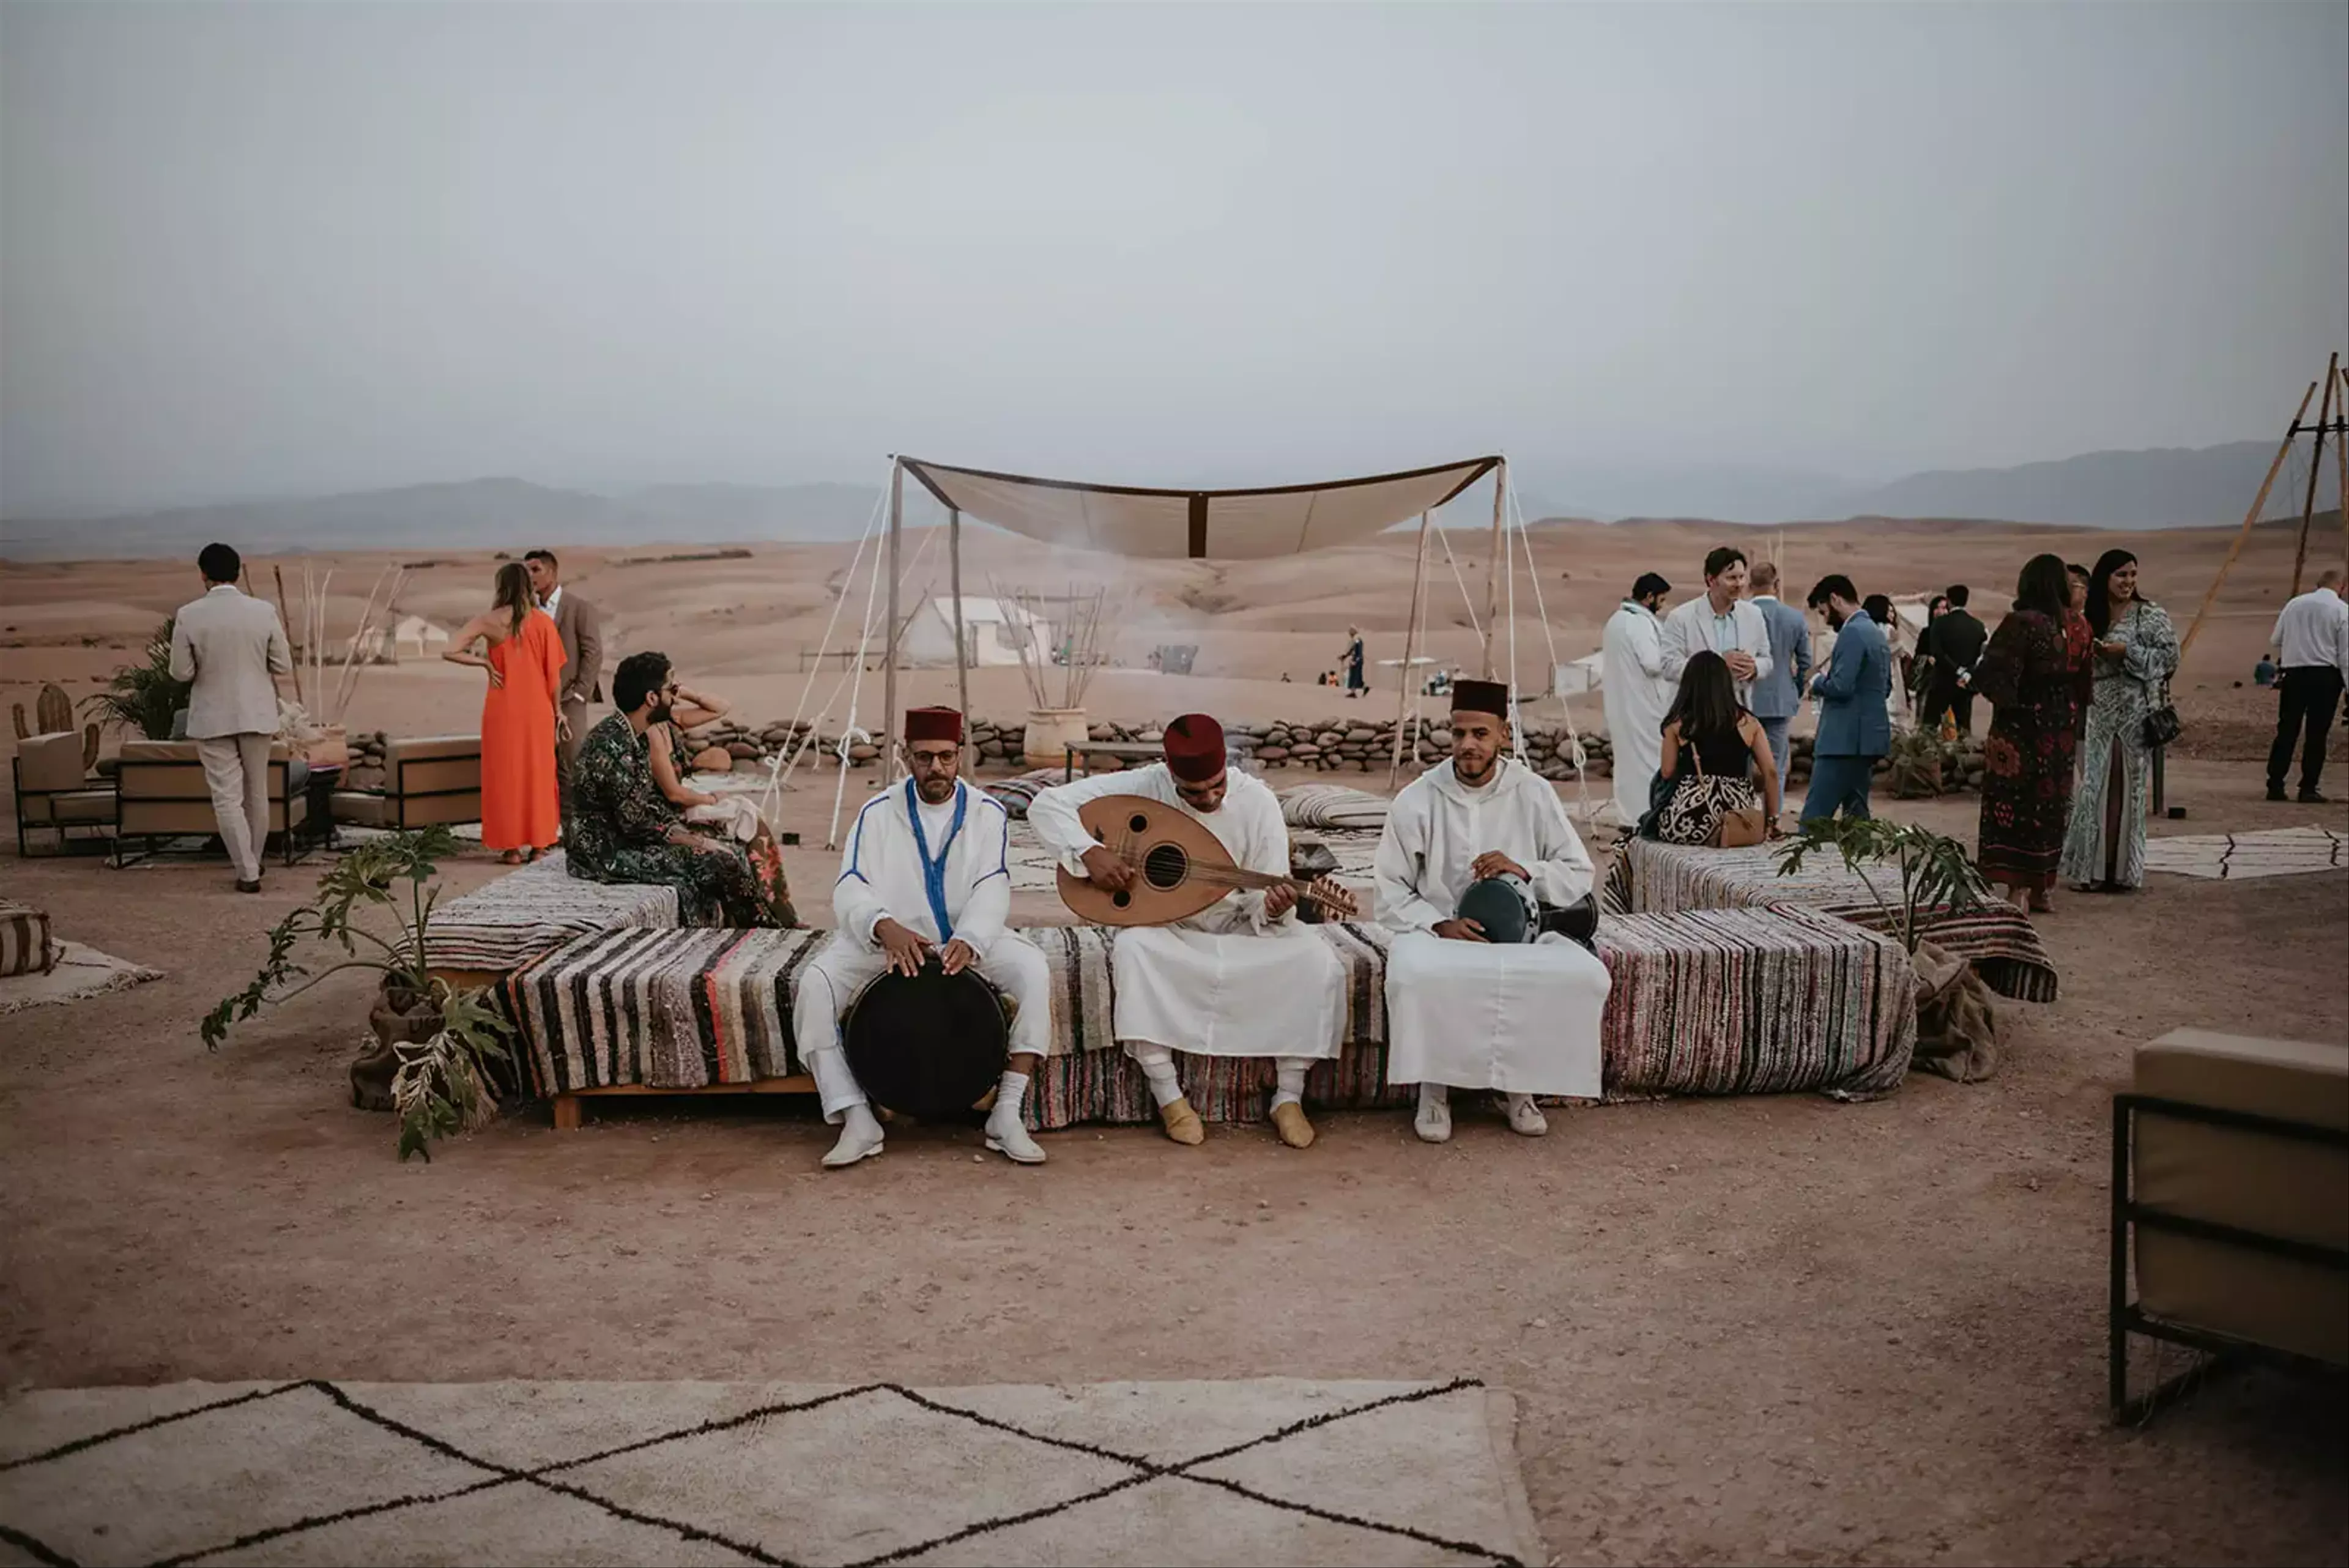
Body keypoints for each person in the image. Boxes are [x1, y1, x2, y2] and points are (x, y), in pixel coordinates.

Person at [1030, 713, 1346, 1150]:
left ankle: (1288, 1097)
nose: (1210, 796)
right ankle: (1171, 1098)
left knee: (1317, 959)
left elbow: (1264, 897)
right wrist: (1089, 851)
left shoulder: (1259, 802)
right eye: (1194, 792)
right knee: (1133, 949)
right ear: (1170, 772)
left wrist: (1272, 907)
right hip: (1170, 927)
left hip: (1239, 927)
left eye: (1218, 785)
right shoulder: (1146, 784)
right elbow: (1046, 804)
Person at [793, 708, 1050, 1169]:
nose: (937, 768)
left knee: (1033, 970)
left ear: (960, 755)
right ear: (905, 756)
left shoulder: (987, 813)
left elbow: (993, 884)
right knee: (816, 984)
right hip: (889, 942)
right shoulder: (877, 813)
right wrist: (882, 925)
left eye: (947, 757)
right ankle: (857, 1116)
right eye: (925, 757)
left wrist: (972, 936)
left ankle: (1007, 1111)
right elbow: (851, 883)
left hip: (965, 941)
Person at [1373, 679, 1611, 1144]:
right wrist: (1438, 923)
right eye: (1459, 733)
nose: (1467, 745)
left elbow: (1578, 872)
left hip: (1521, 935)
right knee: (1413, 975)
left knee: (1586, 976)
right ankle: (1433, 1087)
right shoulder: (1419, 798)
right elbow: (1389, 888)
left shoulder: (1533, 792)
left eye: (1481, 734)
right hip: (1439, 933)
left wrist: (1526, 870)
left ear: (1504, 735)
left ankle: (1518, 1087)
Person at [566, 651, 779, 926]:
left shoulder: (635, 735)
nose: (675, 697)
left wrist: (689, 834)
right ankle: (762, 932)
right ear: (651, 699)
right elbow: (636, 823)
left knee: (728, 852)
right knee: (721, 861)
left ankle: (745, 930)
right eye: (671, 689)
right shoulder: (611, 746)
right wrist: (696, 841)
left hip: (625, 838)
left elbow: (645, 806)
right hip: (603, 853)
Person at [168, 543, 293, 893]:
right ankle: (253, 864)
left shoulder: (189, 615)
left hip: (212, 715)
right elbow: (282, 665)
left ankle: (247, 870)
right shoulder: (263, 611)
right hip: (256, 711)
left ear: (203, 574)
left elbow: (180, 672)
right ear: (238, 571)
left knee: (226, 796)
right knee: (258, 792)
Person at [2060, 551, 2180, 892]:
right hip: (2099, 711)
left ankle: (2122, 872)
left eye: (2133, 575)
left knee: (2128, 786)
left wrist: (2128, 653)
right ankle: (2093, 872)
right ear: (2105, 578)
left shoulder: (2150, 615)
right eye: (2120, 575)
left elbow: (2170, 659)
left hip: (2134, 712)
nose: (2128, 582)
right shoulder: (2088, 617)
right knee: (2095, 786)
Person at [1973, 555, 2080, 913]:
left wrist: (2016, 705)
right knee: (2051, 806)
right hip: (2061, 732)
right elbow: (2085, 678)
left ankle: (2018, 889)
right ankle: (2042, 888)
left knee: (2016, 804)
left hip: (2020, 733)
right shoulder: (2075, 625)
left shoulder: (2021, 623)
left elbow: (1991, 675)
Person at [643, 680, 797, 926]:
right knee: (741, 824)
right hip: (668, 814)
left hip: (683, 804)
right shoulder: (653, 733)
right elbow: (674, 794)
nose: (674, 694)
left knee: (750, 818)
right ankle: (767, 915)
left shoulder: (671, 722)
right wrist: (710, 799)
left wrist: (688, 693)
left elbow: (721, 708)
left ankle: (778, 909)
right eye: (669, 688)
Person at [443, 563, 565, 865]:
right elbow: (555, 678)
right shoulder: (542, 623)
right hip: (538, 710)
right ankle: (538, 847)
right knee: (538, 775)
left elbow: (450, 650)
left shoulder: (490, 621)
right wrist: (559, 712)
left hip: (502, 708)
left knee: (506, 774)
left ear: (502, 586)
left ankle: (511, 849)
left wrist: (484, 664)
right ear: (528, 586)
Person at [1641, 652, 1781, 843]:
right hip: (1736, 819)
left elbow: (1667, 772)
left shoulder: (1678, 725)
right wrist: (1771, 820)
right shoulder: (1749, 723)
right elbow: (1771, 772)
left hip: (1688, 821)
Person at [1802, 575, 1891, 823]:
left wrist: (1817, 682)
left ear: (1834, 599)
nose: (1825, 619)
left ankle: (1809, 863)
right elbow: (1885, 688)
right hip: (1866, 741)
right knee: (1856, 819)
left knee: (1814, 820)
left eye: (1824, 612)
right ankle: (1860, 863)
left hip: (1842, 741)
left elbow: (1841, 686)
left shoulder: (1852, 632)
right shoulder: (1875, 632)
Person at [525, 549, 603, 829]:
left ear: (553, 572)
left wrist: (581, 692)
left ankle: (579, 830)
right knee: (542, 767)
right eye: (527, 571)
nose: (530, 576)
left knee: (573, 765)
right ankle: (549, 829)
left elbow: (593, 653)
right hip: (536, 701)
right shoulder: (527, 611)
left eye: (536, 570)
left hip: (571, 700)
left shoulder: (578, 608)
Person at [2264, 567, 2348, 803]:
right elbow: (2346, 656)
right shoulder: (2342, 610)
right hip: (2325, 677)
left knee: (2287, 730)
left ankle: (2275, 784)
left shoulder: (2294, 605)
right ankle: (2308, 787)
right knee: (2317, 733)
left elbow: (2276, 640)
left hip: (2294, 674)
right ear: (2342, 587)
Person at [1600, 573, 1674, 827]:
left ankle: (1629, 816)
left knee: (1627, 763)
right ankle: (1647, 815)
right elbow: (1653, 663)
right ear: (1649, 597)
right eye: (1660, 600)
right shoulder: (1638, 623)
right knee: (1650, 761)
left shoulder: (1616, 620)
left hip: (1622, 703)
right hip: (1644, 705)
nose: (1662, 606)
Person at [1661, 547, 1773, 706]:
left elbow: (1767, 660)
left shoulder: (1753, 615)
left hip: (1739, 710)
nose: (1739, 584)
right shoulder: (1681, 617)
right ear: (1711, 580)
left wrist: (1754, 668)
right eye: (1732, 578)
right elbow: (1669, 666)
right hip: (1695, 711)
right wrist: (1718, 665)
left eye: (1742, 577)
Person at [1743, 563, 1811, 790]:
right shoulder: (1795, 618)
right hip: (1780, 700)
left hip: (1743, 700)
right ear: (1777, 584)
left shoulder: (1737, 615)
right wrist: (1797, 688)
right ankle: (1773, 817)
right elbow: (1805, 662)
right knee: (1777, 767)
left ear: (1750, 586)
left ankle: (1743, 817)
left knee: (1741, 766)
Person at [1929, 584, 1987, 735]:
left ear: (1949, 601)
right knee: (1963, 727)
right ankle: (1962, 756)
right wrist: (1966, 672)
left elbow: (1937, 652)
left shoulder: (1940, 623)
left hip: (1942, 682)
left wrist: (1956, 669)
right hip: (1964, 684)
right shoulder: (1978, 626)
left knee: (1930, 725)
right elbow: (1979, 655)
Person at [2063, 565, 2096, 743]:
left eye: (2071, 585)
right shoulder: (2051, 622)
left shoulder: (2095, 624)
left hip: (2088, 708)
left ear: (2086, 592)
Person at [1910, 593, 1951, 716]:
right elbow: (1918, 656)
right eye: (1937, 608)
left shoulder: (1953, 633)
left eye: (1944, 608)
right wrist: (1927, 659)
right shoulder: (1926, 633)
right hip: (1928, 681)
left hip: (1947, 681)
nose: (1940, 611)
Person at [1341, 626, 1367, 699]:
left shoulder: (1357, 640)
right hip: (1356, 660)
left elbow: (1358, 651)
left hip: (1356, 661)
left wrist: (1356, 660)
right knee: (1357, 677)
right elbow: (1351, 651)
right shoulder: (1356, 640)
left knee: (1354, 677)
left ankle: (1354, 692)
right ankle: (1362, 689)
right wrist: (1344, 656)